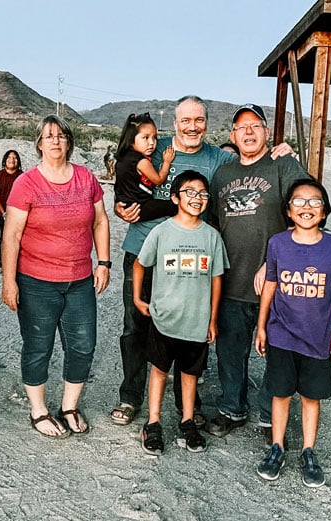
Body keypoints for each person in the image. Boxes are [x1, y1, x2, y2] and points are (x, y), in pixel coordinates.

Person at [111, 95, 234, 428]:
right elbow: (123, 175)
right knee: (135, 325)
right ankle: (130, 396)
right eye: (185, 121)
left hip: (190, 258)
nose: (192, 127)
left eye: (198, 120)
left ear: (207, 123)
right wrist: (118, 205)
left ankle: (186, 406)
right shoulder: (155, 146)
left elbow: (248, 164)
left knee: (188, 328)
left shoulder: (218, 159)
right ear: (175, 123)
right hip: (143, 249)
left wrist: (280, 153)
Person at [2, 114, 110, 438]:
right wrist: (9, 282)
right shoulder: (27, 183)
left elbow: (101, 221)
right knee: (38, 346)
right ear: (39, 143)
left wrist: (103, 262)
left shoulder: (86, 178)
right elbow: (11, 236)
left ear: (69, 142)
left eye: (61, 135)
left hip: (79, 280)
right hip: (36, 281)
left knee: (83, 345)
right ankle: (39, 410)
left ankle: (69, 406)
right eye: (48, 136)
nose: (55, 140)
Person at [207, 104, 310, 442]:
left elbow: (308, 208)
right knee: (230, 350)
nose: (248, 132)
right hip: (232, 280)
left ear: (267, 133)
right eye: (241, 128)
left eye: (255, 126)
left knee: (278, 353)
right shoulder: (222, 174)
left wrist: (276, 262)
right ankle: (232, 408)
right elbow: (210, 226)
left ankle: (270, 416)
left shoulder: (283, 165)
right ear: (233, 136)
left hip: (276, 284)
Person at [253, 179, 331, 487]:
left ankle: (309, 451)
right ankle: (277, 447)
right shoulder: (278, 243)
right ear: (288, 210)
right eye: (299, 201)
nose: (306, 207)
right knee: (280, 393)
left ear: (324, 212)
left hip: (318, 337)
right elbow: (270, 285)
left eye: (315, 202)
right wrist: (261, 325)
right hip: (281, 333)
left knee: (311, 397)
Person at [133, 171, 229, 455]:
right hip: (164, 319)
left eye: (202, 193)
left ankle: (188, 422)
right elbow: (140, 264)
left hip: (197, 321)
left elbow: (217, 279)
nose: (197, 198)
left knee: (190, 374)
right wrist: (139, 298)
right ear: (175, 197)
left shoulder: (212, 237)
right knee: (160, 371)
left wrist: (212, 319)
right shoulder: (162, 231)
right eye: (190, 192)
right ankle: (153, 422)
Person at [114, 112, 176, 222]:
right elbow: (158, 180)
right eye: (145, 138)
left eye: (154, 138)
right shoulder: (141, 161)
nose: (152, 143)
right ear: (131, 139)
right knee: (171, 206)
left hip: (124, 205)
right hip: (138, 208)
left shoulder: (123, 158)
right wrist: (167, 162)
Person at [0, 149, 23, 274]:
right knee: (4, 238)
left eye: (15, 157)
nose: (12, 159)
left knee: (19, 238)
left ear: (18, 161)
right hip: (3, 214)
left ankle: (19, 264)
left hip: (19, 214)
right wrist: (4, 212)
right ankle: (0, 263)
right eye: (9, 157)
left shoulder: (22, 176)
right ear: (5, 160)